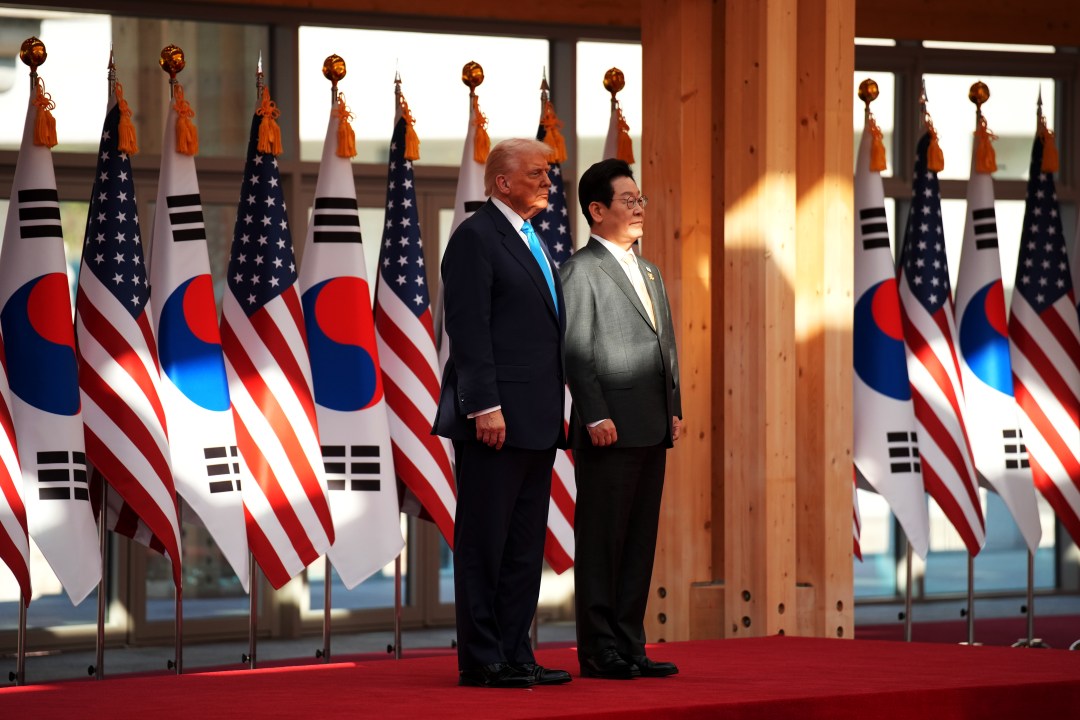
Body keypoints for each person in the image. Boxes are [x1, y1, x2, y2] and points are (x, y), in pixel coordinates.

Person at [433, 138, 571, 689]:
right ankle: (482, 658)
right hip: (494, 422)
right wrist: (484, 406)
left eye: (549, 173)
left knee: (522, 547)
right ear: (502, 182)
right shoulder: (475, 238)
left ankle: (517, 651)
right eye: (537, 173)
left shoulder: (531, 238)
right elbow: (468, 331)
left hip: (537, 421)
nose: (547, 182)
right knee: (484, 544)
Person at [560, 158, 683, 680]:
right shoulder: (580, 270)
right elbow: (574, 351)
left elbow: (665, 344)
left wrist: (673, 407)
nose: (639, 209)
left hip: (651, 426)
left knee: (637, 541)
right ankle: (599, 651)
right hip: (607, 429)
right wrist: (594, 415)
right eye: (628, 201)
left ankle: (631, 645)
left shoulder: (649, 268)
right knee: (602, 543)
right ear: (597, 210)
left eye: (640, 200)